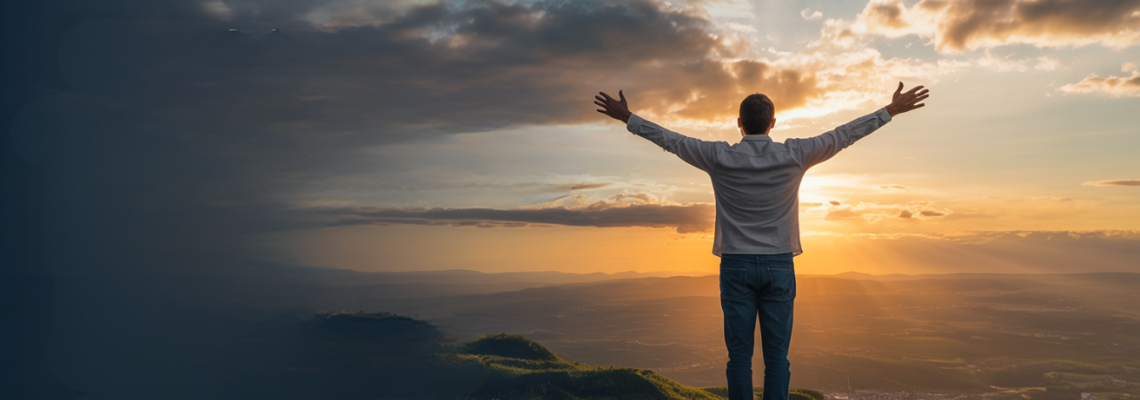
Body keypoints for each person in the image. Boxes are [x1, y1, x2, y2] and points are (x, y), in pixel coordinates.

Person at [593, 83, 929, 400]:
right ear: (773, 123)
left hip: (736, 264)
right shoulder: (796, 153)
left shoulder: (717, 156)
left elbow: (672, 140)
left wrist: (628, 118)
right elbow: (843, 135)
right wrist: (889, 111)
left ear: (739, 124)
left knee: (739, 357)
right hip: (779, 265)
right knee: (777, 358)